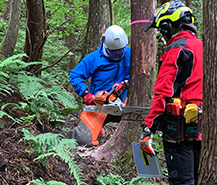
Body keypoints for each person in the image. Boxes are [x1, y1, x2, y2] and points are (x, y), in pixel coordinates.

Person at [139, 1, 202, 185]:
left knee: (182, 181)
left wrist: (148, 128)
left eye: (162, 28)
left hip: (179, 130)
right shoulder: (203, 46)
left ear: (168, 25)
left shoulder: (176, 49)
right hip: (202, 127)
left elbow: (163, 93)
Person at [69, 25, 130, 147]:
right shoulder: (94, 58)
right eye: (114, 53)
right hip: (100, 105)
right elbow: (74, 75)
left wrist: (125, 83)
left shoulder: (131, 54)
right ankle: (98, 131)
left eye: (120, 53)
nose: (117, 56)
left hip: (124, 102)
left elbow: (142, 74)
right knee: (82, 140)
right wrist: (85, 94)